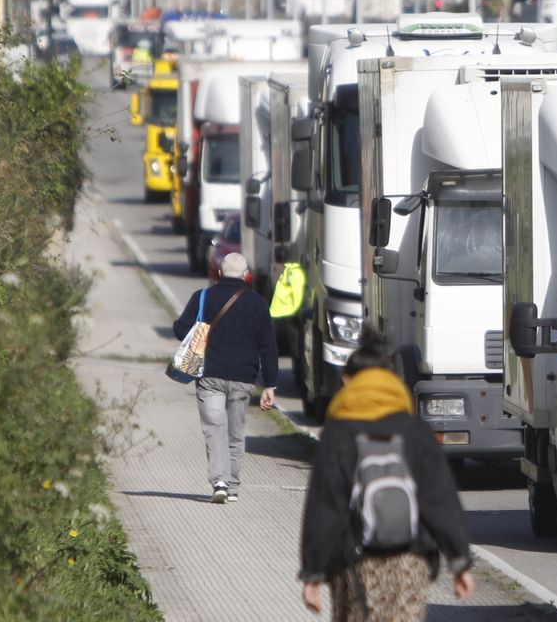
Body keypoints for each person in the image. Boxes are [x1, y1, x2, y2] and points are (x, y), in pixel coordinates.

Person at [299, 328, 475, 620]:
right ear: (392, 380)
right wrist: (460, 562)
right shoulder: (414, 430)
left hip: (355, 561)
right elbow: (440, 499)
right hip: (410, 559)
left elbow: (325, 506)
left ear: (347, 380)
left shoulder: (338, 433)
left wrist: (313, 573)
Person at [172, 252, 277, 503]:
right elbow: (268, 347)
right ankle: (232, 486)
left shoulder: (203, 297)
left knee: (214, 428)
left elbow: (179, 330)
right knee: (236, 432)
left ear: (219, 273)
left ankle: (219, 481)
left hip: (209, 375)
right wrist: (270, 384)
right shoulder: (258, 304)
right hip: (243, 378)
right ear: (246, 276)